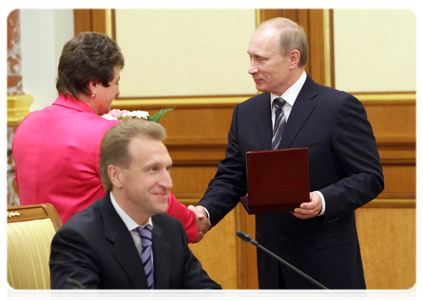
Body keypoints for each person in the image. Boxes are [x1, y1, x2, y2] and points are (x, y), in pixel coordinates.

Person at [194, 17, 384, 300]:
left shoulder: (338, 107)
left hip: (326, 268)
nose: (251, 68)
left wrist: (322, 201)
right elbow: (232, 177)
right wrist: (205, 212)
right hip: (272, 267)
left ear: (293, 58)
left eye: (261, 59)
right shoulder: (244, 113)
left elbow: (370, 177)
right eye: (250, 57)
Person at [12, 31, 209, 242]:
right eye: (115, 82)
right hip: (87, 260)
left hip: (32, 260)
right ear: (93, 85)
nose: (118, 92)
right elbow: (147, 191)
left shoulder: (27, 125)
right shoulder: (103, 133)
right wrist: (190, 223)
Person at [50, 119, 228, 300]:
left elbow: (206, 292)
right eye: (153, 169)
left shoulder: (170, 228)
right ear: (116, 176)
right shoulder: (78, 238)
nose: (168, 183)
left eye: (167, 169)